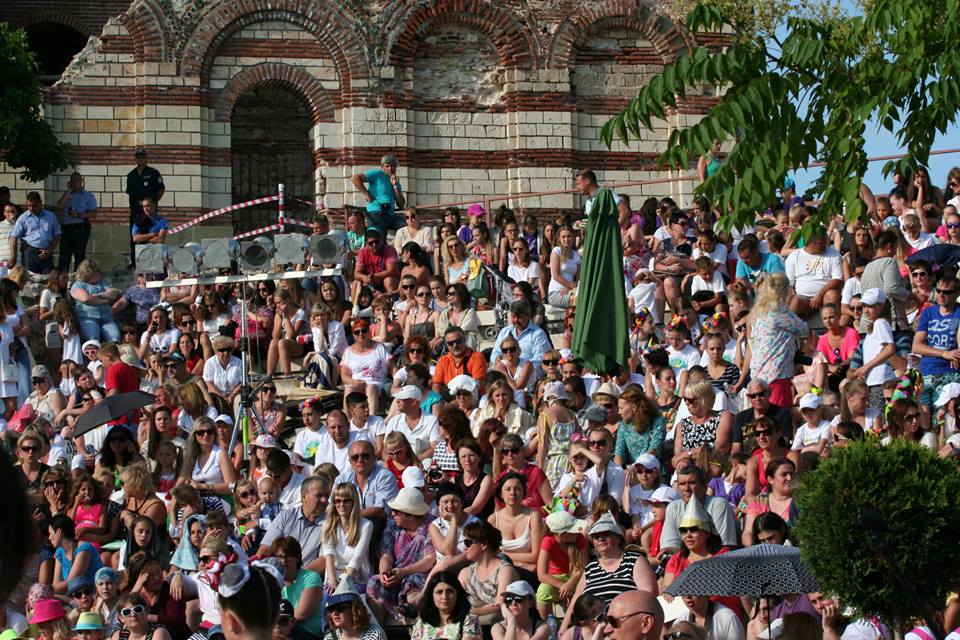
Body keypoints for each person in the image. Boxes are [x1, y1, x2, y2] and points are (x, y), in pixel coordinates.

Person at [365, 487, 437, 622]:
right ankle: (377, 629)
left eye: (397, 511)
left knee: (413, 581)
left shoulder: (432, 526)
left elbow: (430, 559)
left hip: (421, 574)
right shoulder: (393, 525)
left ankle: (413, 621)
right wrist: (385, 573)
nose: (392, 514)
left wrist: (404, 572)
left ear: (410, 515)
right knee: (377, 582)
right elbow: (386, 554)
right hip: (397, 573)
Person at [747, 273, 809, 408]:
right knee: (779, 415)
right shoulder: (780, 311)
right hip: (778, 372)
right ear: (784, 290)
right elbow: (803, 328)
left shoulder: (759, 311)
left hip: (758, 373)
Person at [659, 466, 738, 556]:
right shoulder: (673, 508)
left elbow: (725, 547)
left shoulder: (718, 505)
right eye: (682, 484)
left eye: (692, 483)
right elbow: (671, 545)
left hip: (717, 560)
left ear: (704, 486)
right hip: (685, 560)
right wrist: (667, 552)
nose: (687, 489)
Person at [270, 537, 325, 639]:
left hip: (307, 634)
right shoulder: (272, 581)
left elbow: (301, 614)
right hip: (279, 632)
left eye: (288, 556)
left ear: (297, 558)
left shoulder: (311, 578)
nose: (283, 561)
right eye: (280, 556)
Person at [322, 483, 374, 590]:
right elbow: (328, 553)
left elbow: (357, 558)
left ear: (353, 502)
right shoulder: (328, 524)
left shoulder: (366, 525)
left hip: (356, 578)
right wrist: (332, 580)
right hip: (333, 578)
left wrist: (343, 585)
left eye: (346, 501)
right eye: (338, 501)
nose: (341, 504)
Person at [785, 226, 842, 316]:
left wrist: (820, 295)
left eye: (825, 241)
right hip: (803, 298)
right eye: (820, 243)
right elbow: (789, 284)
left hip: (824, 295)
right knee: (795, 301)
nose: (825, 245)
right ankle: (788, 322)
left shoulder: (834, 254)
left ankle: (833, 323)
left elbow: (837, 279)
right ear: (809, 242)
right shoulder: (794, 256)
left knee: (833, 295)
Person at [411, 571, 482, 640]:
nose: (444, 597)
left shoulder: (470, 620)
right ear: (431, 596)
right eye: (439, 592)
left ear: (458, 594)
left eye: (449, 591)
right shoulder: (421, 623)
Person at [125, 148, 165, 265]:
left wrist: (153, 203)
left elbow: (161, 189)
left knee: (151, 236)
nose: (140, 159)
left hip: (149, 214)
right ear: (135, 159)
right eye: (138, 157)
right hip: (136, 212)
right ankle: (135, 262)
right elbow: (130, 193)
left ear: (146, 158)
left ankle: (152, 262)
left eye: (143, 157)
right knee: (135, 237)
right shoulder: (131, 175)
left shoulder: (153, 173)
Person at [351, 154, 406, 239]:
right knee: (378, 240)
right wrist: (366, 193)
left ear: (396, 167)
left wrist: (395, 186)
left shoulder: (396, 182)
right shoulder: (377, 174)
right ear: (382, 167)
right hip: (376, 213)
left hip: (390, 215)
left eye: (392, 166)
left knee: (407, 227)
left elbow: (401, 204)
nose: (390, 169)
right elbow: (355, 178)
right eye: (387, 166)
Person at [490, 301, 552, 372]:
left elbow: (539, 360)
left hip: (529, 374)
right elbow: (495, 353)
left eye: (519, 317)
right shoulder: (505, 332)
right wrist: (497, 359)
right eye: (513, 317)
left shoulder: (538, 334)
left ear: (528, 315)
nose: (516, 320)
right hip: (505, 371)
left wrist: (518, 369)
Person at [11, 191, 61, 274]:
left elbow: (57, 235)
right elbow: (14, 237)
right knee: (30, 277)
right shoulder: (23, 218)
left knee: (49, 277)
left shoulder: (51, 216)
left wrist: (50, 250)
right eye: (29, 206)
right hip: (30, 252)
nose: (31, 208)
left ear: (40, 203)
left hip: (46, 252)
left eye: (34, 205)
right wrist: (14, 256)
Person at [56, 172, 97, 272]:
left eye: (77, 180)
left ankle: (78, 278)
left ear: (81, 181)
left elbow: (94, 213)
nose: (75, 183)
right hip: (67, 229)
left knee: (79, 257)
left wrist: (79, 215)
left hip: (80, 229)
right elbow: (60, 206)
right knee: (64, 257)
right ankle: (62, 277)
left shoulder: (88, 196)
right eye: (72, 181)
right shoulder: (68, 195)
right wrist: (69, 190)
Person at [433, 326, 487, 393]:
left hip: (471, 397)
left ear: (464, 340)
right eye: (450, 343)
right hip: (448, 397)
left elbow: (478, 385)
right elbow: (436, 386)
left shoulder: (477, 357)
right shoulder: (443, 360)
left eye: (458, 341)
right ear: (446, 345)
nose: (455, 345)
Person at [353, 229, 400, 296]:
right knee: (355, 283)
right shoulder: (362, 252)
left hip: (389, 280)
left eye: (377, 242)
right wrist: (363, 277)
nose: (374, 245)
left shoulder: (389, 250)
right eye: (371, 243)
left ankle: (391, 301)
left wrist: (373, 276)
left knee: (388, 280)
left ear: (381, 241)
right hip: (372, 282)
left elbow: (391, 271)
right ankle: (355, 303)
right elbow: (356, 274)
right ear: (366, 244)